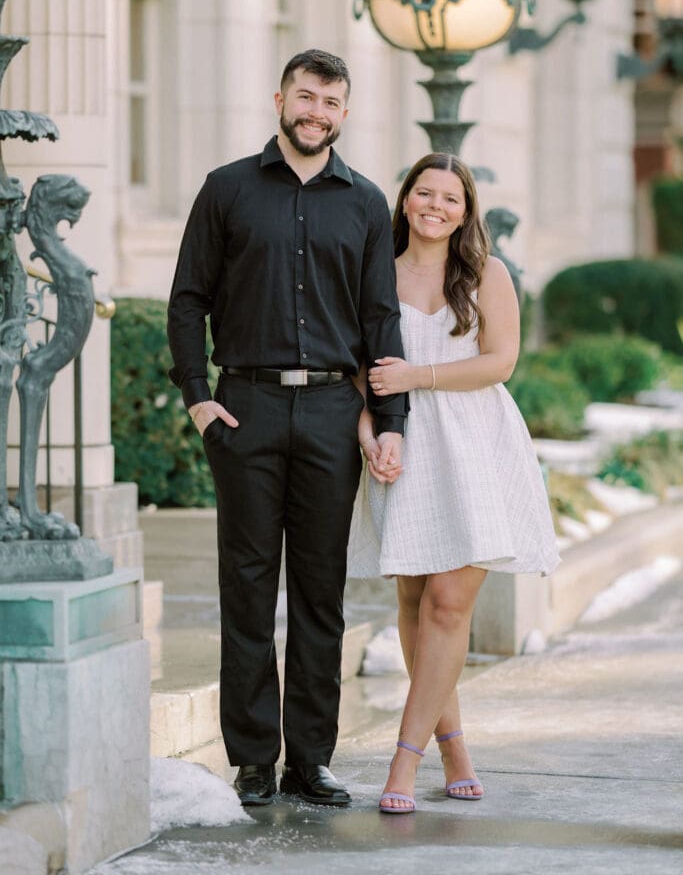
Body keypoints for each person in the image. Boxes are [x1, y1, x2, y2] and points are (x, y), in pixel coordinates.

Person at [167, 49, 408, 808]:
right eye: (305, 97)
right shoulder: (227, 189)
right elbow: (187, 300)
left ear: (345, 112)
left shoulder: (366, 203)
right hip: (247, 407)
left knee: (319, 593)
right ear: (280, 99)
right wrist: (199, 399)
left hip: (334, 414)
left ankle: (310, 758)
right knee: (245, 587)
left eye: (330, 102)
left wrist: (389, 419)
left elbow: (379, 316)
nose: (316, 113)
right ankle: (250, 759)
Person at [347, 152, 560, 814]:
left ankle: (402, 762)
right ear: (405, 199)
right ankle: (454, 749)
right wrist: (369, 433)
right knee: (414, 601)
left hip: (476, 443)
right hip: (400, 441)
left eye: (450, 198)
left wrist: (418, 377)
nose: (435, 206)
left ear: (465, 211)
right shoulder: (372, 271)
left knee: (447, 602)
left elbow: (499, 362)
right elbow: (356, 368)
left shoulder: (485, 273)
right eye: (424, 193)